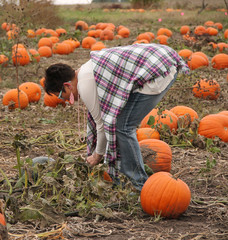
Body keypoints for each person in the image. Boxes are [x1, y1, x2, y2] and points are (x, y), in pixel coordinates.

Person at [44, 43, 189, 191]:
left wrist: (97, 155)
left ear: (68, 85)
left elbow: (103, 125)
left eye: (61, 95)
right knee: (120, 124)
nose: (64, 100)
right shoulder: (85, 72)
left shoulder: (84, 84)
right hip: (162, 58)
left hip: (157, 72)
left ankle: (140, 185)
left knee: (123, 127)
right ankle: (128, 173)